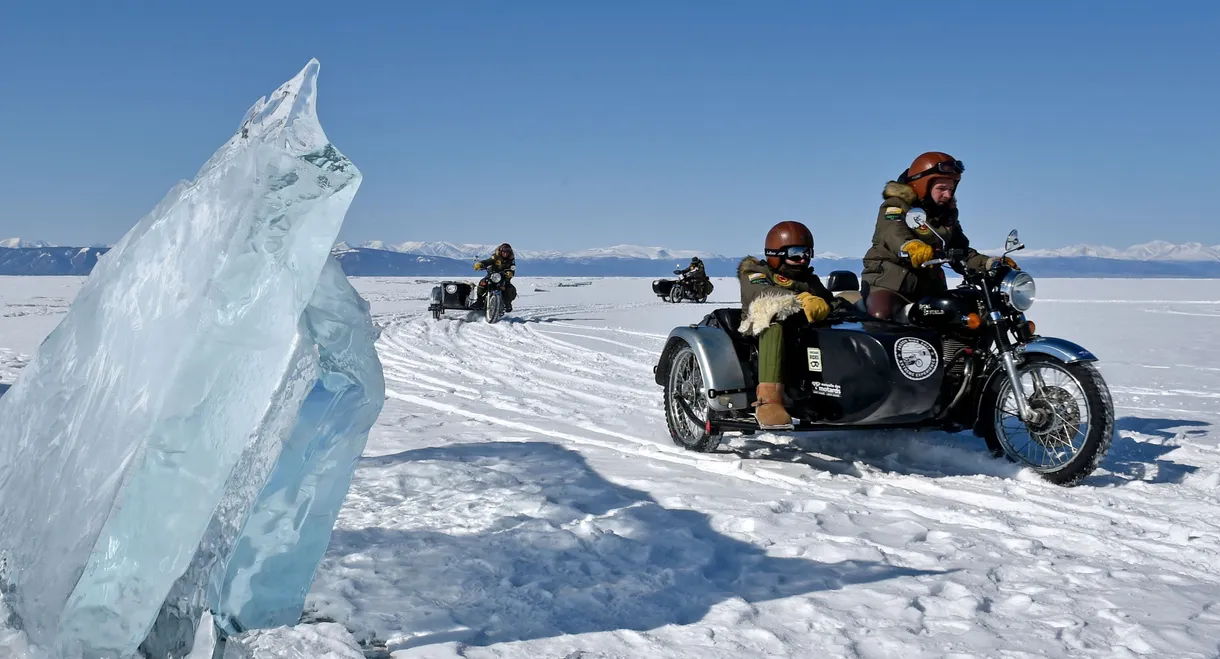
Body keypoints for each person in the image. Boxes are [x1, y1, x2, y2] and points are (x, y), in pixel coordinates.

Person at [862, 151, 1018, 321]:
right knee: (881, 317)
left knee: (960, 318)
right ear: (922, 186)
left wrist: (989, 264)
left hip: (929, 289)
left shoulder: (946, 215)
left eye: (951, 189)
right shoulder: (896, 205)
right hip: (890, 284)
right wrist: (911, 246)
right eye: (941, 189)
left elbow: (959, 250)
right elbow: (892, 232)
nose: (948, 195)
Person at [736, 221, 835, 428]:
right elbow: (762, 293)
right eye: (796, 254)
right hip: (758, 332)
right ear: (776, 254)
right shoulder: (756, 272)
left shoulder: (809, 280)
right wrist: (801, 299)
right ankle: (768, 401)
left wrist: (847, 304)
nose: (803, 259)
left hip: (799, 331)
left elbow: (827, 301)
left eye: (806, 253)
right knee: (774, 322)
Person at [473, 242, 517, 312]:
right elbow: (488, 261)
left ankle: (507, 304)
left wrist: (510, 273)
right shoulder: (495, 257)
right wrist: (480, 264)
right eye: (504, 251)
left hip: (504, 278)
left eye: (507, 252)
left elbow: (512, 269)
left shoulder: (511, 260)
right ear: (500, 251)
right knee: (482, 283)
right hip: (492, 276)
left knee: (509, 288)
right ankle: (479, 301)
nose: (505, 253)